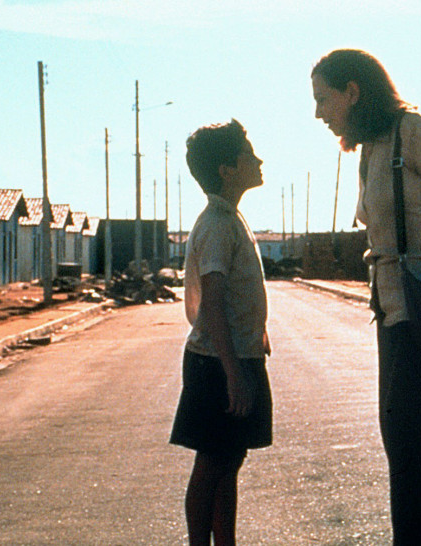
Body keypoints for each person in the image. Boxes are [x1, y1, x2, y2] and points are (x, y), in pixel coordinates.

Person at [312, 49, 421, 545]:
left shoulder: (418, 134)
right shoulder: (371, 147)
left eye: (324, 99)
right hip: (393, 312)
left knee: (412, 439)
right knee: (403, 440)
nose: (319, 112)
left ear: (353, 92)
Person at [169, 119, 273, 546]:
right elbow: (212, 302)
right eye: (248, 153)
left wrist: (257, 338)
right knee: (213, 461)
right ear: (228, 169)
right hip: (216, 364)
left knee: (230, 458)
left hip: (237, 357)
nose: (258, 159)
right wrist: (233, 373)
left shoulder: (231, 218)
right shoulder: (216, 223)